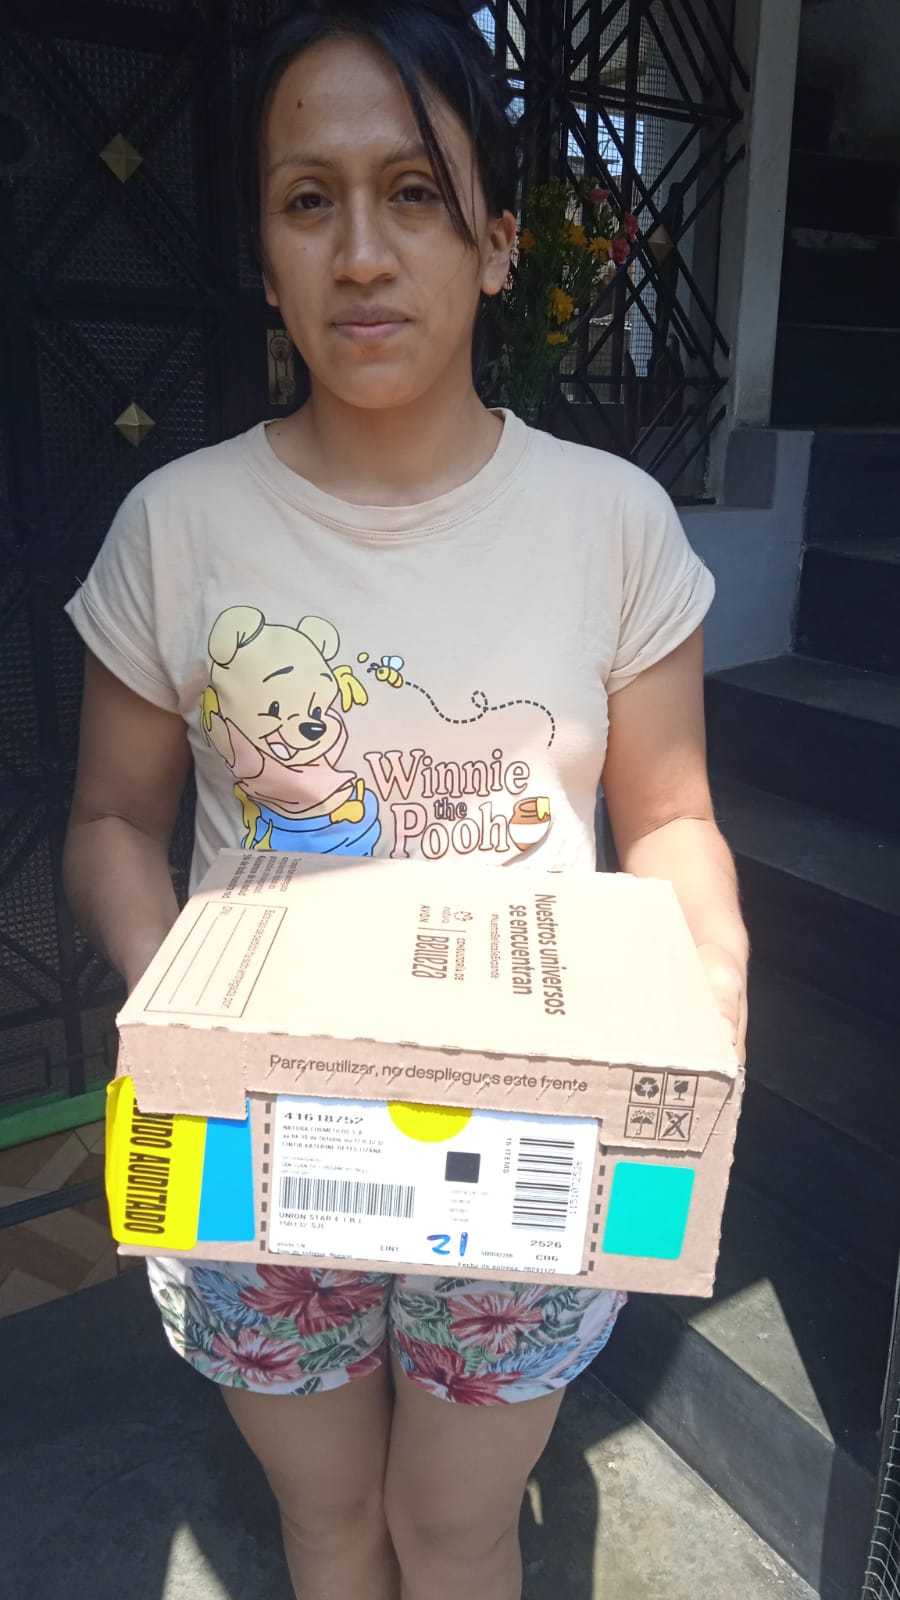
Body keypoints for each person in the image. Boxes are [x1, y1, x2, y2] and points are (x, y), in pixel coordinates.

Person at [62, 4, 749, 1598]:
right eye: (310, 200)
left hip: (527, 1143)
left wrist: (710, 989)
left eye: (417, 194)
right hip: (257, 1148)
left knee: (451, 1528)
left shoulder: (613, 526)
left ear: (499, 243)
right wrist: (186, 1004)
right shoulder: (176, 527)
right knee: (322, 1521)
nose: (363, 254)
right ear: (266, 253)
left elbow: (670, 820)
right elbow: (107, 822)